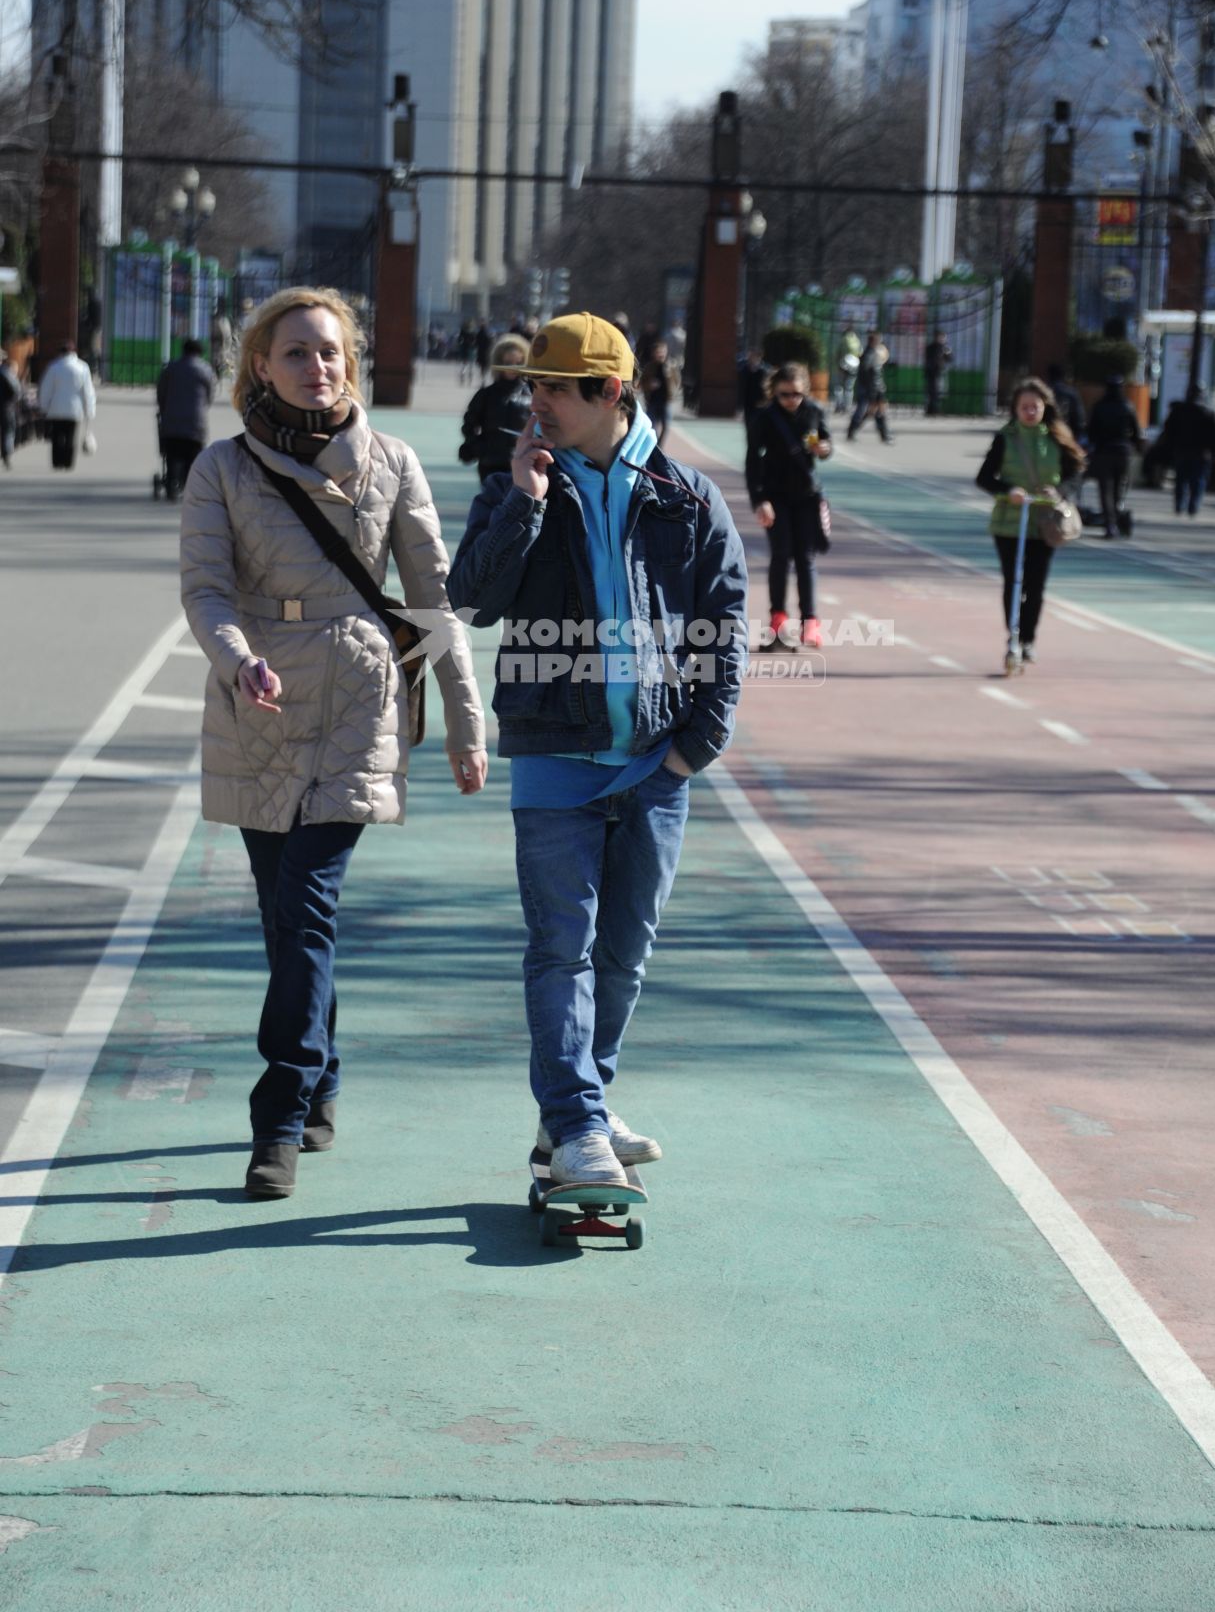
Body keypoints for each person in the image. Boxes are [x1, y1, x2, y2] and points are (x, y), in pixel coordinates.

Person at [180, 286, 488, 1202]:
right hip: (261, 703)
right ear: (259, 368)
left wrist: (469, 725)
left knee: (308, 902)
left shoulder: (391, 462)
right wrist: (238, 661)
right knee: (287, 918)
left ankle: (276, 1113)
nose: (319, 367)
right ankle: (324, 1073)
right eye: (297, 353)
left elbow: (433, 604)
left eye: (330, 351)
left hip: (358, 695)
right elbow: (205, 590)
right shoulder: (221, 471)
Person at [447, 312, 747, 1190]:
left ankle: (581, 1105)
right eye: (529, 384)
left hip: (658, 765)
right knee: (560, 950)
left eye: (551, 388)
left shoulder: (688, 498)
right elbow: (473, 598)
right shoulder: (515, 483)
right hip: (552, 759)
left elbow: (721, 630)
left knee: (623, 954)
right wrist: (522, 502)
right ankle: (577, 1125)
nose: (532, 402)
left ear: (609, 393)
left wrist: (696, 746)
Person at [976, 376, 1086, 665]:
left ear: (1044, 408)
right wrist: (1007, 491)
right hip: (1009, 523)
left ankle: (1028, 639)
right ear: (1015, 408)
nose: (1029, 412)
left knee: (1035, 585)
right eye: (1024, 407)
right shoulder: (1005, 438)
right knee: (1013, 581)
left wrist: (1058, 491)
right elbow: (984, 478)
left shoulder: (1057, 438)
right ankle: (1012, 636)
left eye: (1034, 407)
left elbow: (1076, 475)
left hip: (1044, 522)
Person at [746, 362, 832, 649]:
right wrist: (759, 500)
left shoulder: (814, 411)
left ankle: (811, 623)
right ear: (775, 392)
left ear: (804, 390)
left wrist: (824, 449)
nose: (791, 400)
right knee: (781, 555)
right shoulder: (764, 417)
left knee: (806, 558)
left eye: (796, 394)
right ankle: (778, 619)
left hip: (807, 495)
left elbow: (825, 442)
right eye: (784, 395)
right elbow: (752, 461)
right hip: (775, 496)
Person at [457, 333, 533, 480]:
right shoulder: (486, 395)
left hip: (522, 463)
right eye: (508, 362)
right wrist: (479, 447)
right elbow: (469, 424)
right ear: (499, 362)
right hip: (491, 463)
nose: (513, 367)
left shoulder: (532, 395)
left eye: (518, 362)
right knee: (491, 500)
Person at [156, 337, 216, 501]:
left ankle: (171, 483)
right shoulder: (206, 370)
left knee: (172, 454)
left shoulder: (170, 368)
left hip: (172, 422)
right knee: (193, 457)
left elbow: (161, 393)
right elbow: (210, 395)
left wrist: (164, 409)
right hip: (196, 423)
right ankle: (190, 486)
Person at [1087, 375, 1143, 538]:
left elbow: (1091, 430)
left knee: (1105, 489)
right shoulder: (1127, 406)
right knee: (1119, 488)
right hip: (1123, 452)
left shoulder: (1099, 406)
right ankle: (1116, 516)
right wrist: (1133, 445)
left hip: (1104, 451)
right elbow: (1136, 430)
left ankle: (1110, 523)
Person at [1161, 383, 1215, 517]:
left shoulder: (1179, 410)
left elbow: (1168, 430)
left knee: (1181, 479)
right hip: (1201, 453)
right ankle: (1193, 505)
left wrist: (1169, 447)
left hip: (1182, 450)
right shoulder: (1209, 412)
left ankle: (1180, 504)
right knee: (1198, 480)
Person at [37, 339, 96, 469]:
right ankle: (68, 462)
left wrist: (43, 406)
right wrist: (90, 409)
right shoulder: (82, 367)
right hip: (75, 409)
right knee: (70, 436)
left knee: (56, 436)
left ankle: (57, 461)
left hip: (56, 408)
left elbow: (46, 388)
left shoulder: (54, 367)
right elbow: (88, 391)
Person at [847, 335, 891, 442]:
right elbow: (868, 374)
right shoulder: (870, 354)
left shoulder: (873, 353)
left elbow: (876, 374)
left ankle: (884, 435)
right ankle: (852, 431)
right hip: (870, 389)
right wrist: (873, 389)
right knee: (867, 411)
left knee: (877, 411)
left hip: (875, 388)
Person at [639, 338, 672, 446]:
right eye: (658, 352)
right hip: (652, 400)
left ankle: (659, 445)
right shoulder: (649, 367)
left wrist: (673, 393)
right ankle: (655, 445)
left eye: (662, 351)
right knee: (652, 426)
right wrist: (649, 385)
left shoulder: (670, 366)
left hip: (665, 400)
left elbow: (677, 382)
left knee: (666, 425)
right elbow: (642, 383)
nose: (660, 354)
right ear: (654, 354)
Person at [1045, 362, 1086, 446]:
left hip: (1045, 436)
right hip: (1066, 435)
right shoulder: (1071, 393)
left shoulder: (1043, 392)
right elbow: (1079, 420)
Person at [833, 329, 862, 415]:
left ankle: (839, 405)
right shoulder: (857, 340)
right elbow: (860, 353)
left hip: (843, 365)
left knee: (839, 386)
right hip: (854, 365)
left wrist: (837, 364)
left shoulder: (843, 340)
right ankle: (847, 406)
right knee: (849, 387)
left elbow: (837, 353)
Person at [924, 332, 952, 417]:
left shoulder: (944, 348)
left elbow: (949, 359)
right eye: (940, 337)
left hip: (940, 372)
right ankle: (931, 410)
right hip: (932, 372)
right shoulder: (931, 347)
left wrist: (947, 353)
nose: (942, 339)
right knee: (932, 392)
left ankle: (934, 409)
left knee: (939, 392)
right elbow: (929, 359)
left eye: (943, 338)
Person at [0, 347, 19, 469]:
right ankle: (6, 455)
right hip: (5, 406)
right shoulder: (5, 372)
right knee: (8, 430)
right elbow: (16, 390)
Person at [738, 347, 768, 422]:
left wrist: (764, 400)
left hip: (759, 402)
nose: (751, 358)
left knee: (758, 422)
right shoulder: (744, 370)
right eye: (750, 356)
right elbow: (742, 387)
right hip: (747, 402)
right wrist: (740, 404)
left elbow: (765, 387)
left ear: (759, 357)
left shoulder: (763, 371)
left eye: (753, 356)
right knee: (748, 422)